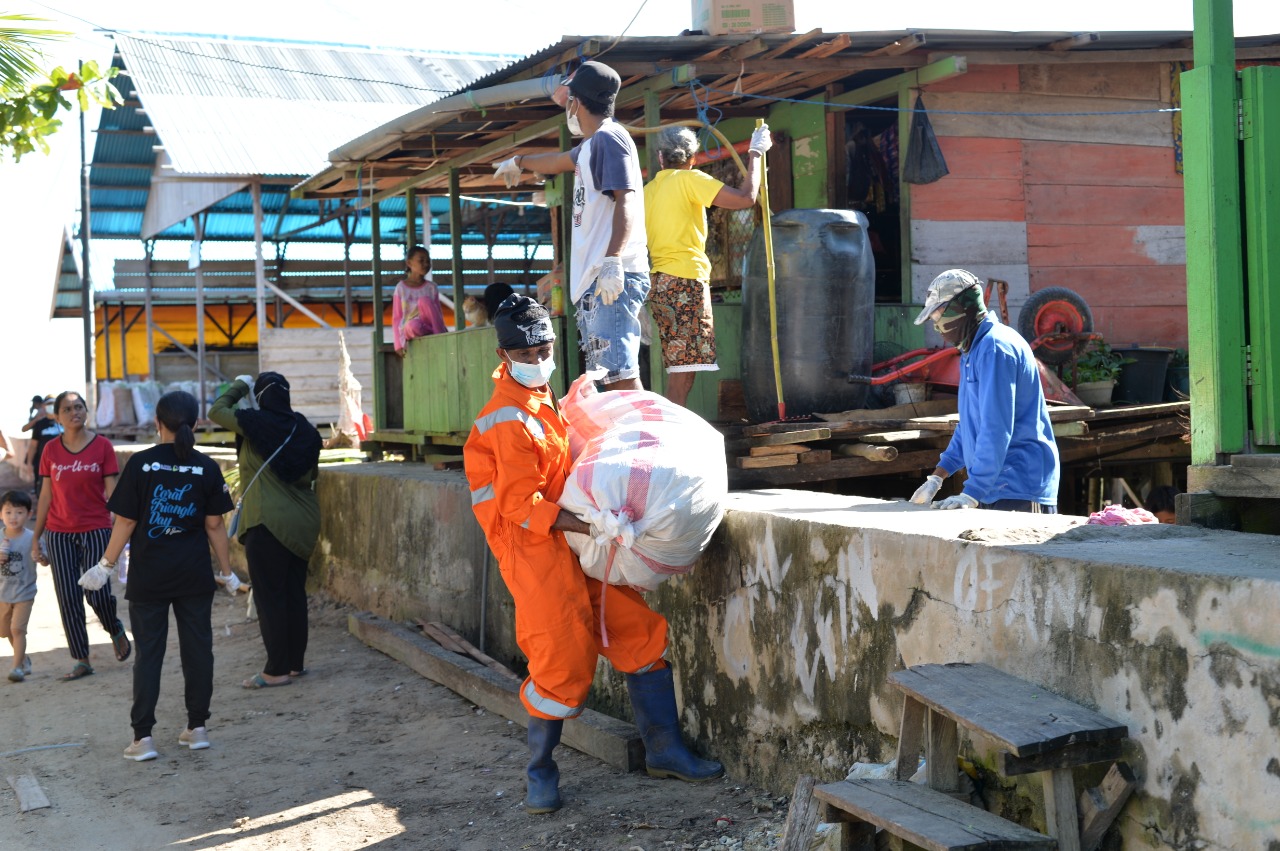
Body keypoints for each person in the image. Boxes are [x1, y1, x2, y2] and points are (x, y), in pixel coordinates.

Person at [463, 296, 722, 816]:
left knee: (639, 633)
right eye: (528, 351)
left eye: (545, 348)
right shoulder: (506, 418)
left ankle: (664, 752)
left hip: (573, 541)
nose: (539, 357)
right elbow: (519, 503)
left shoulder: (540, 400)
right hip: (534, 549)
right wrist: (595, 524)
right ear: (503, 353)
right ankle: (540, 774)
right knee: (559, 658)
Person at [88, 391, 237, 760]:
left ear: (157, 423)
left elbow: (126, 521)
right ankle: (198, 728)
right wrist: (228, 571)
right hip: (194, 575)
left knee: (149, 655)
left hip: (150, 576)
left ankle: (143, 740)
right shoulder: (206, 466)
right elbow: (215, 524)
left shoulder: (142, 464)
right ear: (197, 423)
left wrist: (105, 565)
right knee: (198, 651)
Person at [493, 61, 650, 391]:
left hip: (609, 275)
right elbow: (560, 160)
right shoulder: (593, 145)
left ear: (576, 102)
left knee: (619, 374)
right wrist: (519, 162)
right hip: (596, 279)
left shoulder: (610, 139)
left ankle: (643, 441)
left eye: (568, 101)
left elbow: (627, 200)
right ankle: (626, 437)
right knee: (607, 375)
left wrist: (612, 260)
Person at [908, 270, 1060, 512]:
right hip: (995, 487)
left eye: (937, 315)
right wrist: (937, 477)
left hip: (1019, 487)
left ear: (960, 308)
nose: (937, 326)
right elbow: (969, 425)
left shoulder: (995, 348)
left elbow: (996, 427)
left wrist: (972, 492)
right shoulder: (972, 350)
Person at [644, 124, 772, 406]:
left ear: (660, 157)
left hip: (660, 283)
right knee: (683, 371)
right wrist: (755, 154)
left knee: (681, 368)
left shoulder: (649, 190)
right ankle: (671, 435)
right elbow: (745, 199)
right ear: (693, 158)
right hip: (685, 279)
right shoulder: (689, 179)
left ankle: (672, 429)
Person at [209, 372, 322, 688]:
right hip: (303, 522)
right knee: (293, 593)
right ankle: (295, 664)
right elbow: (310, 477)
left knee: (270, 597)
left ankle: (276, 670)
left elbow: (216, 411)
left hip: (266, 522)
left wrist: (239, 386)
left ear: (260, 397)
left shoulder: (254, 424)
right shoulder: (307, 432)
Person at [31, 390, 131, 679]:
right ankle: (82, 659)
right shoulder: (50, 450)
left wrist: (122, 526)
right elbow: (46, 494)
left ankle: (114, 628)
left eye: (79, 407)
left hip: (97, 528)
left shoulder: (102, 447)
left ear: (87, 411)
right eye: (67, 408)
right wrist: (37, 537)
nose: (74, 412)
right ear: (58, 416)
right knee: (68, 597)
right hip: (59, 533)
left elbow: (113, 491)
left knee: (96, 593)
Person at [1, 490, 36, 683]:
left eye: (19, 512)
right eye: (8, 512)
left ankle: (16, 668)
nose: (13, 517)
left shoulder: (32, 538)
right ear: (0, 514)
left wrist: (41, 557)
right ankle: (23, 659)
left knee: (17, 630)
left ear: (29, 514)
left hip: (25, 592)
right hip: (2, 594)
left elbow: (45, 559)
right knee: (5, 631)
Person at [391, 245, 448, 357]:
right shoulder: (401, 288)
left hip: (431, 326)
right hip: (412, 328)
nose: (426, 264)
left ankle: (441, 336)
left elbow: (437, 314)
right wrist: (398, 345)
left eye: (428, 261)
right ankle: (437, 335)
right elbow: (397, 317)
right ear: (409, 263)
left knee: (424, 301)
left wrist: (440, 328)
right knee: (413, 325)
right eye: (421, 261)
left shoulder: (431, 287)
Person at [22, 395, 63, 499]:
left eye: (54, 404)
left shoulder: (65, 422)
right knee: (42, 492)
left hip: (62, 464)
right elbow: (33, 445)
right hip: (42, 464)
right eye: (49, 404)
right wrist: (29, 464)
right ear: (44, 406)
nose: (51, 406)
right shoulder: (39, 423)